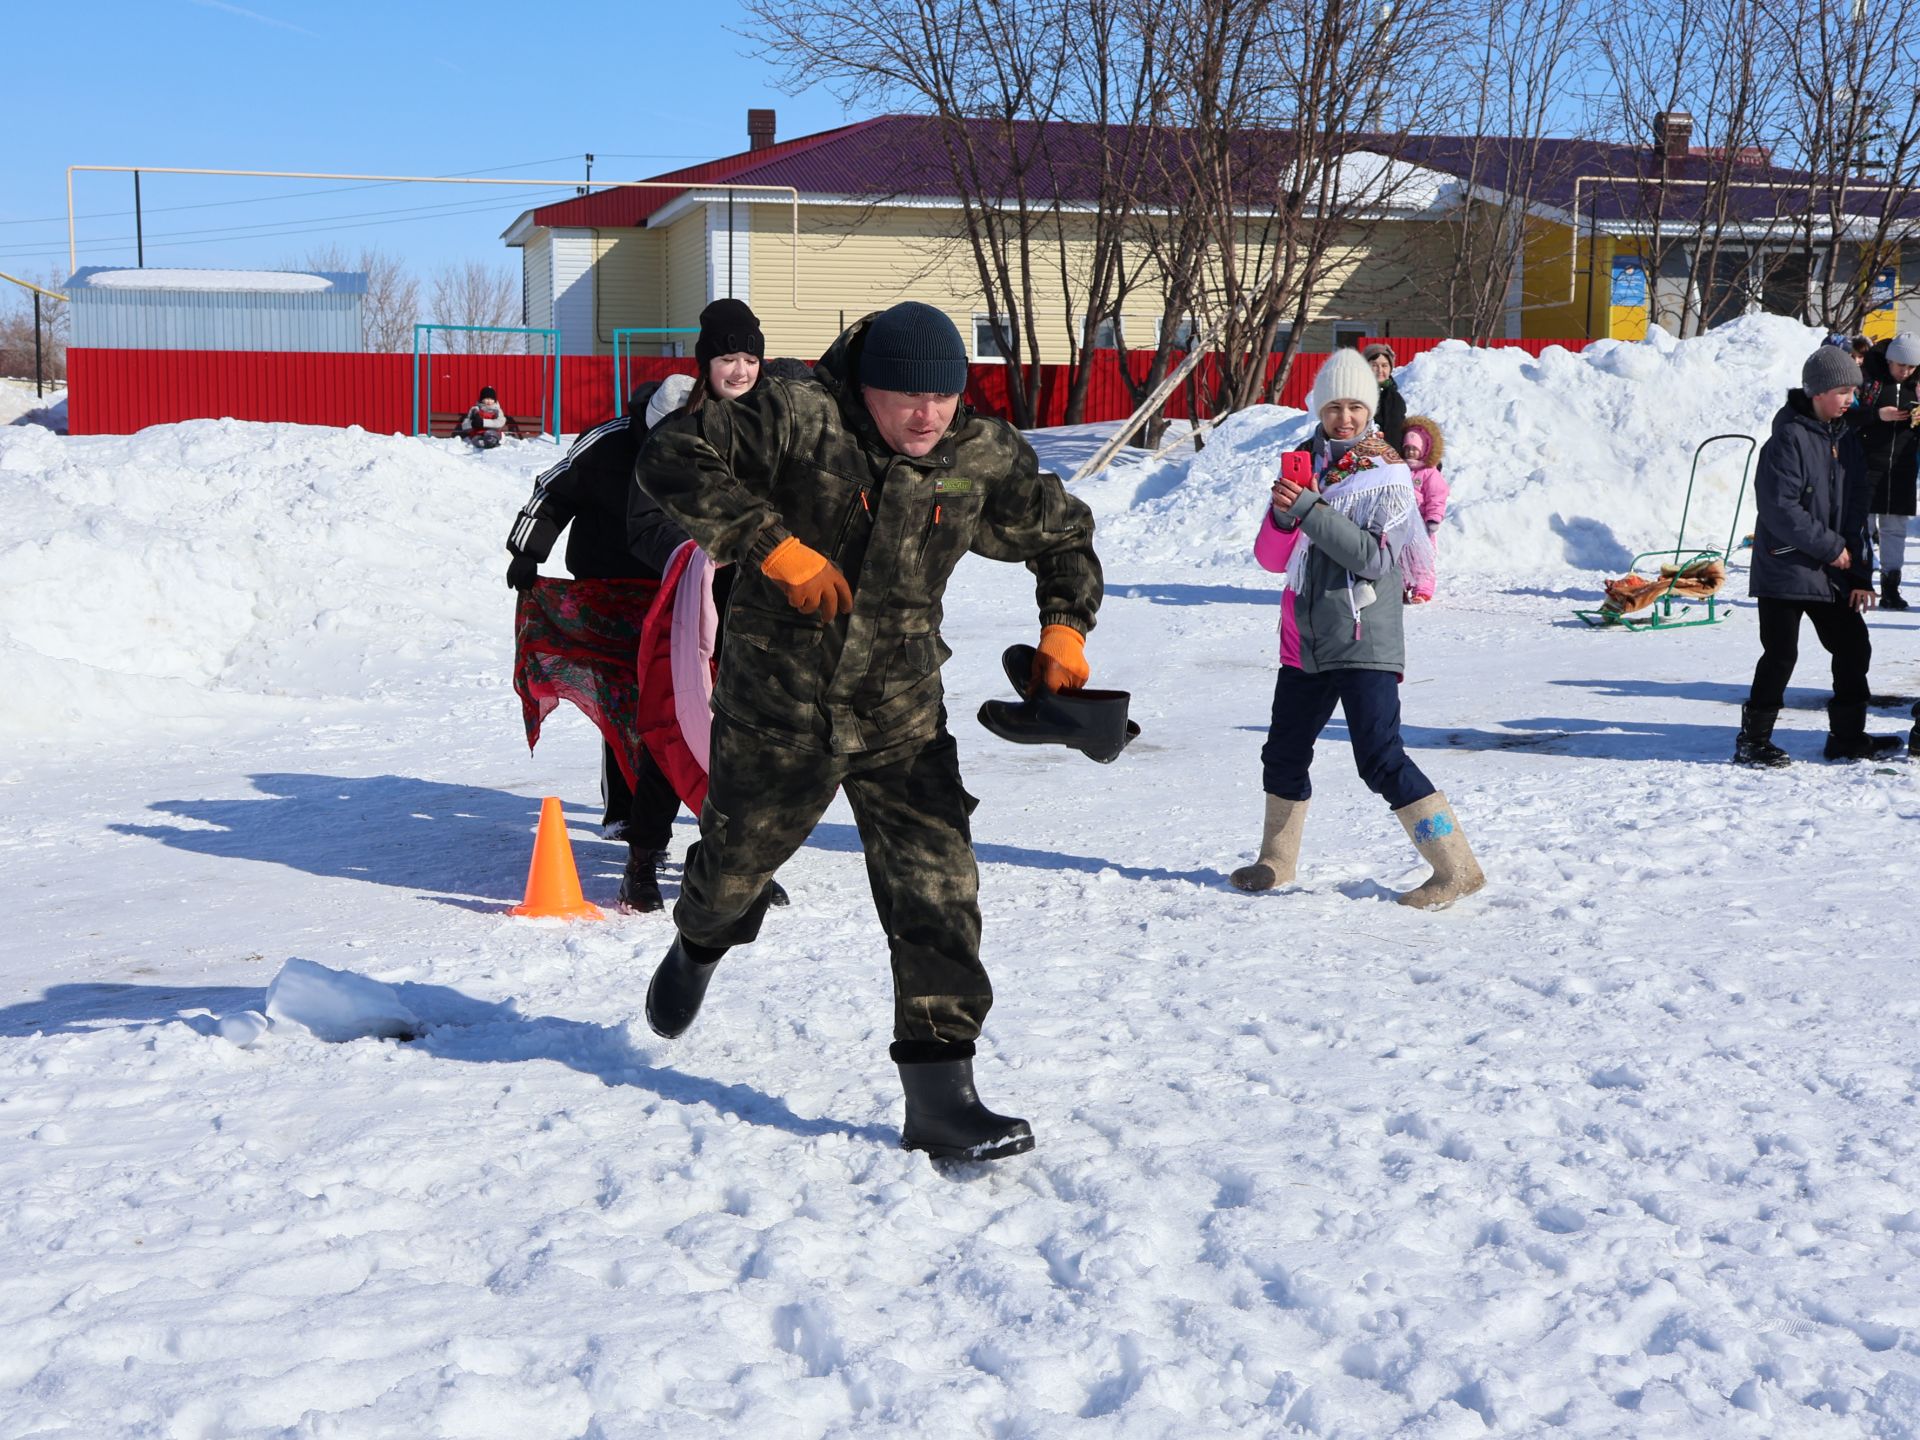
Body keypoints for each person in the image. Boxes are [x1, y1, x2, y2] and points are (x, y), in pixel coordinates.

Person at [635, 300, 1103, 1162]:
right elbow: (671, 455)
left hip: (902, 713)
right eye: (903, 397)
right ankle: (700, 940)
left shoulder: (975, 453)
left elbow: (1063, 531)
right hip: (780, 711)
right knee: (735, 869)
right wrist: (770, 546)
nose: (926, 416)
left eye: (944, 398)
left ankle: (941, 1095)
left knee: (939, 891)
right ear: (866, 388)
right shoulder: (798, 418)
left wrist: (1064, 627)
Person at [1230, 348, 1480, 907]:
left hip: (1364, 635)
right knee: (1284, 752)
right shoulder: (1305, 462)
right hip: (1306, 638)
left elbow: (1373, 558)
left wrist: (1314, 511)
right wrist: (1281, 515)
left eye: (1355, 408)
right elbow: (1273, 560)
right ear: (1319, 410)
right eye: (1333, 407)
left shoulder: (1385, 471)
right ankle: (1277, 859)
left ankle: (1455, 867)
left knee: (1379, 758)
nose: (1344, 419)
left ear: (1370, 410)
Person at [506, 374, 700, 911]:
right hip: (604, 593)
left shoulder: (707, 442)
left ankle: (721, 838)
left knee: (683, 706)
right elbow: (553, 487)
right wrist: (527, 549)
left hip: (675, 587)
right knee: (623, 701)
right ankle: (625, 813)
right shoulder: (608, 441)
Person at [1733, 345, 1903, 767]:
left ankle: (1847, 738)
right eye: (1843, 391)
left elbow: (1855, 505)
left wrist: (1860, 572)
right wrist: (1833, 550)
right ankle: (1753, 741)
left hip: (1831, 570)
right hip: (1786, 564)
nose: (1851, 399)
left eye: (1854, 391)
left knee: (1852, 646)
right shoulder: (1787, 437)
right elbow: (1779, 508)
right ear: (1816, 391)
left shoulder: (1844, 437)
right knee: (1780, 654)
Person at [1848, 332, 1920, 610]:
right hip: (1866, 464)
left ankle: (1891, 586)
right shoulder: (1868, 381)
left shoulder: (1916, 385)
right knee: (1860, 526)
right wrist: (1878, 415)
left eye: (1912, 367)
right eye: (1901, 365)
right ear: (1889, 360)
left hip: (1901, 469)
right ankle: (1859, 582)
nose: (1906, 371)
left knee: (1895, 530)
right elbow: (1847, 416)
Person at [1398, 414, 1448, 603]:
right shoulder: (1400, 469)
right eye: (1407, 449)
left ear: (1424, 449)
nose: (1410, 452)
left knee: (1421, 558)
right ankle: (1401, 588)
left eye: (1415, 449)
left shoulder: (1429, 472)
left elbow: (1436, 496)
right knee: (1401, 557)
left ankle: (1423, 589)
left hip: (1422, 525)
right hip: (1402, 523)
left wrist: (1433, 519)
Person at [1361, 342, 1407, 449]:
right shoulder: (1357, 395)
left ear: (1390, 369)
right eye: (1374, 365)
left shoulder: (1396, 399)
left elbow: (1401, 432)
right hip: (1363, 459)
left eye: (1384, 365)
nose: (1380, 370)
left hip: (1392, 460)